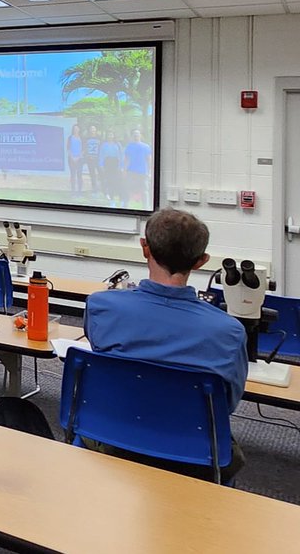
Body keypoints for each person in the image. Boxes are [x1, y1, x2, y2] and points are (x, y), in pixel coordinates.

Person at [84, 207, 247, 480]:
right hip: (194, 456)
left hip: (112, 438)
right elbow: (226, 404)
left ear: (144, 248)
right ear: (201, 261)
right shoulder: (229, 332)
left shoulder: (101, 306)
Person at [124, 129, 153, 207]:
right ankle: (126, 205)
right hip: (131, 172)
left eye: (137, 134)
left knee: (144, 191)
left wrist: (149, 172)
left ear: (140, 135)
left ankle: (146, 206)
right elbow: (126, 159)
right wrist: (124, 170)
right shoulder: (129, 146)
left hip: (143, 172)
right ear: (132, 136)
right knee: (128, 189)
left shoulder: (146, 146)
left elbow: (149, 160)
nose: (136, 136)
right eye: (134, 134)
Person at [99, 129, 123, 205]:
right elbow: (101, 155)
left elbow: (121, 156)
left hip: (116, 164)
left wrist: (120, 166)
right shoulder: (104, 145)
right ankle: (111, 197)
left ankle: (120, 197)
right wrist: (101, 165)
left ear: (113, 136)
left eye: (111, 134)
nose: (110, 136)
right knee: (109, 180)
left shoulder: (118, 144)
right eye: (109, 135)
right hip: (107, 163)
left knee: (116, 180)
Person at [83, 125, 101, 195]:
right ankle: (94, 189)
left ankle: (102, 188)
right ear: (89, 130)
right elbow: (84, 148)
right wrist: (87, 156)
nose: (92, 130)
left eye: (94, 128)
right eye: (91, 128)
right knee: (92, 174)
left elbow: (101, 148)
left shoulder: (99, 138)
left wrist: (99, 156)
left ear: (96, 130)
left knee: (100, 173)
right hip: (90, 159)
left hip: (98, 159)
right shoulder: (86, 138)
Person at [66, 125, 84, 194]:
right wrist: (72, 157)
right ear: (73, 130)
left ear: (79, 129)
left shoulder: (82, 138)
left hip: (80, 159)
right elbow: (68, 148)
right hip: (71, 159)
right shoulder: (70, 138)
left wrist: (78, 157)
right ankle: (73, 190)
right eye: (74, 129)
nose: (76, 130)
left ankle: (80, 191)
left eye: (77, 128)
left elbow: (83, 149)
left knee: (79, 175)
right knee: (73, 175)